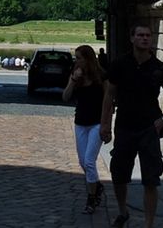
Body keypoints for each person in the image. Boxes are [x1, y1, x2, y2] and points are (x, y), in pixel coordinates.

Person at [100, 23, 163, 228]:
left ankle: (148, 224)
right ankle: (123, 211)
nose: (145, 38)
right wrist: (104, 123)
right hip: (124, 126)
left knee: (151, 179)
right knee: (119, 174)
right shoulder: (119, 64)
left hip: (149, 128)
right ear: (132, 38)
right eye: (140, 35)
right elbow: (109, 95)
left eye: (148, 35)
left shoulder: (160, 68)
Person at [63, 45, 106, 215]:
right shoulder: (76, 76)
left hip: (96, 123)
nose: (77, 61)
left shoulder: (101, 76)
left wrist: (106, 124)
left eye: (79, 57)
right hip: (80, 122)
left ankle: (91, 199)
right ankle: (97, 186)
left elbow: (108, 100)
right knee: (82, 162)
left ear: (88, 59)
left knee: (89, 161)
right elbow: (65, 97)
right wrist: (73, 81)